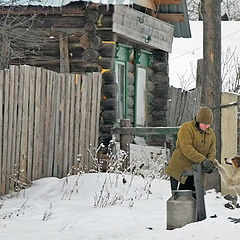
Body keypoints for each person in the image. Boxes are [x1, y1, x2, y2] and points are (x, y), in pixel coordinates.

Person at [165, 106, 216, 192]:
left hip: (196, 172)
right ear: (198, 121)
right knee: (180, 199)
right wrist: (203, 160)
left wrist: (209, 163)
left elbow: (212, 150)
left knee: (195, 199)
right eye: (204, 124)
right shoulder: (186, 128)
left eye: (208, 124)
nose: (206, 127)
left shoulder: (211, 134)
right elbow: (187, 148)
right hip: (180, 170)